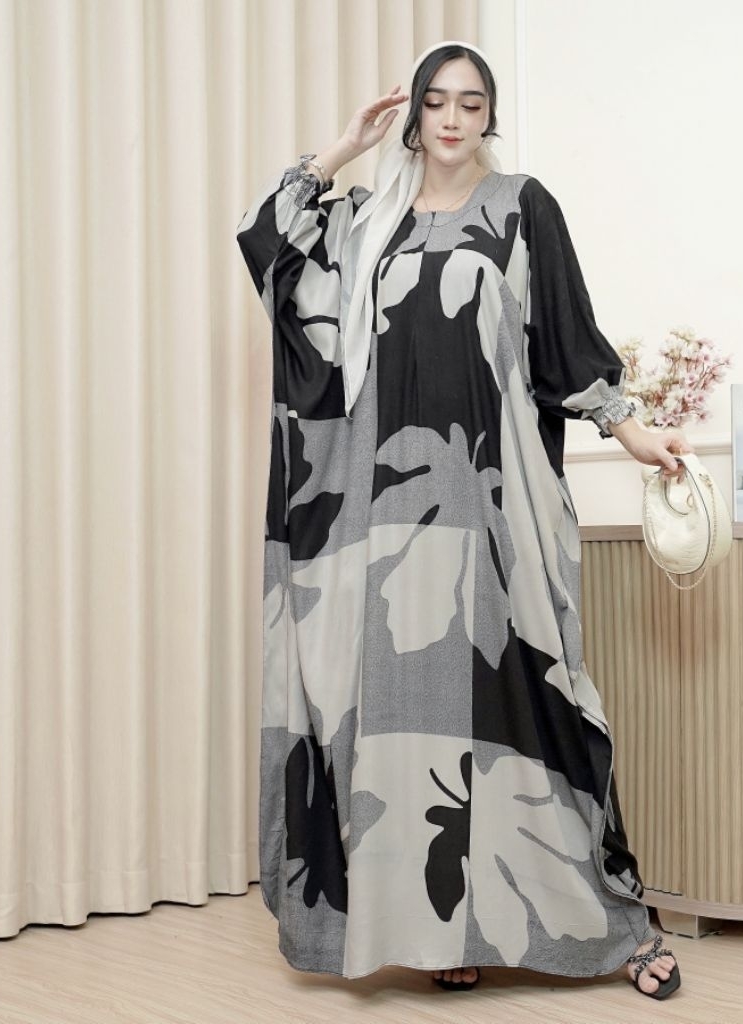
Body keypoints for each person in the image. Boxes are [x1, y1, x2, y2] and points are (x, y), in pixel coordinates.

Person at [236, 40, 690, 1001]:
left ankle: (616, 928)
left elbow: (566, 344)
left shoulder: (522, 208)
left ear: (490, 116)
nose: (451, 118)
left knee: (528, 709)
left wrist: (633, 429)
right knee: (403, 728)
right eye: (436, 101)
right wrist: (341, 151)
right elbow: (265, 244)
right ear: (413, 115)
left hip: (491, 509)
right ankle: (444, 932)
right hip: (381, 520)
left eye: (470, 102)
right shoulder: (369, 221)